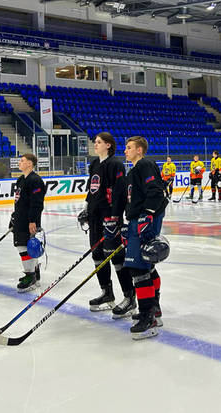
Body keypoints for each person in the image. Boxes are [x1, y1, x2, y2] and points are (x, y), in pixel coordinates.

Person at [82, 132, 134, 317]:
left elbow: (120, 192)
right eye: (95, 142)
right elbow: (91, 189)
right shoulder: (95, 164)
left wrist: (115, 216)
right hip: (95, 217)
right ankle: (107, 293)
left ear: (109, 145)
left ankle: (129, 297)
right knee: (97, 255)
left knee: (115, 256)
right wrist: (86, 209)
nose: (95, 144)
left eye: (98, 142)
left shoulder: (115, 164)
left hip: (109, 218)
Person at [123, 136, 169, 340]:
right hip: (137, 220)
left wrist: (147, 214)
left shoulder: (145, 164)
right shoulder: (133, 170)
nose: (125, 150)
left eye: (129, 147)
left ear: (140, 150)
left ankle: (147, 315)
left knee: (139, 267)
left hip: (146, 219)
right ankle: (152, 310)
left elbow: (156, 192)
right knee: (146, 266)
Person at [10, 153, 46, 292]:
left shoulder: (35, 180)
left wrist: (33, 221)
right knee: (24, 245)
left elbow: (37, 203)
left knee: (24, 247)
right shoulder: (20, 180)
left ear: (30, 164)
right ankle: (34, 272)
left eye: (22, 161)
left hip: (29, 220)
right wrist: (14, 217)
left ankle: (29, 275)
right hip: (20, 218)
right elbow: (18, 201)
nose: (19, 162)